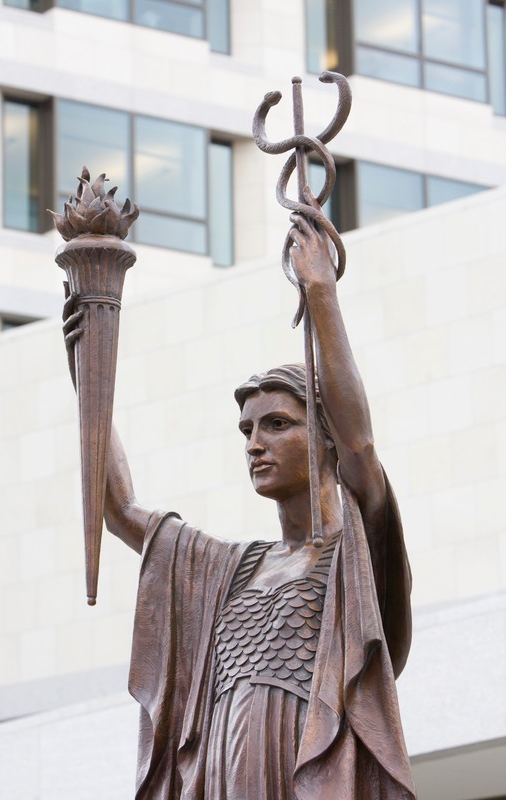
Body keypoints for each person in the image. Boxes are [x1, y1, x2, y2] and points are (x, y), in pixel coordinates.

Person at [64, 189, 415, 800]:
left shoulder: (354, 553)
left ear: (324, 435)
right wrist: (85, 373)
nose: (255, 442)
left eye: (278, 424)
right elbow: (118, 508)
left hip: (303, 773)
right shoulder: (227, 569)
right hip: (224, 779)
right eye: (248, 430)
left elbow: (360, 447)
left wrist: (321, 295)